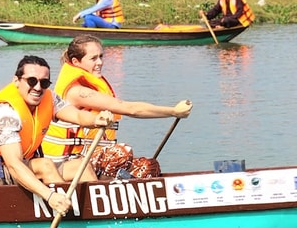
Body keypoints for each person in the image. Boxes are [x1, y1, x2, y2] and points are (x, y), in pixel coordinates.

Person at [0, 55, 112, 215]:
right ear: (16, 81)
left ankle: (95, 217)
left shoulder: (48, 97)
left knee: (80, 166)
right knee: (45, 166)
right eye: (31, 81)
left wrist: (96, 119)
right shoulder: (4, 113)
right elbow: (14, 164)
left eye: (44, 82)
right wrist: (50, 196)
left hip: (18, 166)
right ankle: (67, 218)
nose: (38, 87)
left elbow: (77, 116)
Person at [42, 35, 192, 176]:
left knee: (149, 166)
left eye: (101, 56)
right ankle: (104, 192)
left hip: (91, 157)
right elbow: (130, 109)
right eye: (93, 58)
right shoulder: (76, 91)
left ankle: (122, 194)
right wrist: (173, 111)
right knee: (121, 152)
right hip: (67, 163)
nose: (100, 62)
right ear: (76, 62)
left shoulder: (88, 85)